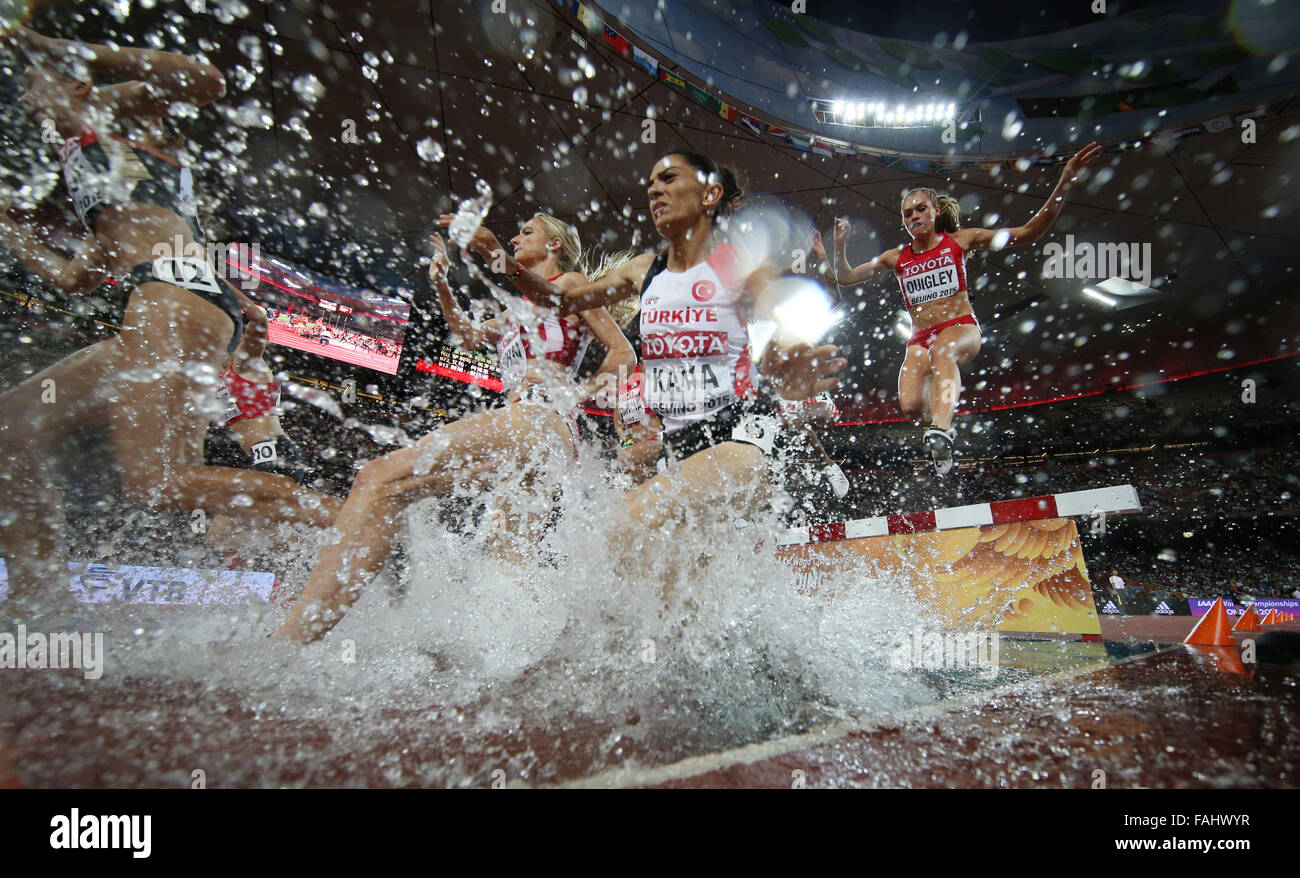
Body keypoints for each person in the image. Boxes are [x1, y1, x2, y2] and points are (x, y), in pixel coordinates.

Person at [276, 151, 844, 642]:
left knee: (615, 538)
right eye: (650, 183)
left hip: (742, 441)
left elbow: (782, 328)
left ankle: (287, 648)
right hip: (679, 451)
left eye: (670, 179)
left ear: (711, 194)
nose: (654, 189)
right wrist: (494, 260)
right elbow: (555, 301)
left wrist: (792, 368)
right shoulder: (645, 270)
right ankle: (759, 668)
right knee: (675, 608)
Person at [0, 27, 341, 608]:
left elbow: (206, 78)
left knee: (157, 483)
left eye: (35, 90)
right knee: (10, 431)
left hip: (171, 299)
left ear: (80, 85)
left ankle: (349, 516)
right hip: (172, 299)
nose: (28, 105)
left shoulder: (123, 116)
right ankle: (36, 600)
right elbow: (76, 277)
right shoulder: (98, 173)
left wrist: (49, 45)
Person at [274, 213, 635, 642]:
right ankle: (550, 652)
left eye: (526, 231)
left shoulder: (571, 286)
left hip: (541, 419)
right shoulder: (514, 310)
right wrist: (442, 282)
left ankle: (292, 642)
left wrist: (573, 396)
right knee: (502, 567)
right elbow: (466, 336)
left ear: (554, 244)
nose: (517, 237)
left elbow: (622, 352)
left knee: (378, 479)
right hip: (542, 441)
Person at [822, 142, 1102, 475]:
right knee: (910, 405)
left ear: (935, 211)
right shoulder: (896, 257)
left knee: (943, 350)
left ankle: (942, 432)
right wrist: (839, 246)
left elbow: (1031, 232)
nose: (914, 217)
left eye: (920, 209)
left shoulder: (961, 239)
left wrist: (1066, 179)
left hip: (960, 327)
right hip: (919, 338)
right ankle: (936, 436)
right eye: (908, 214)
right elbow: (846, 276)